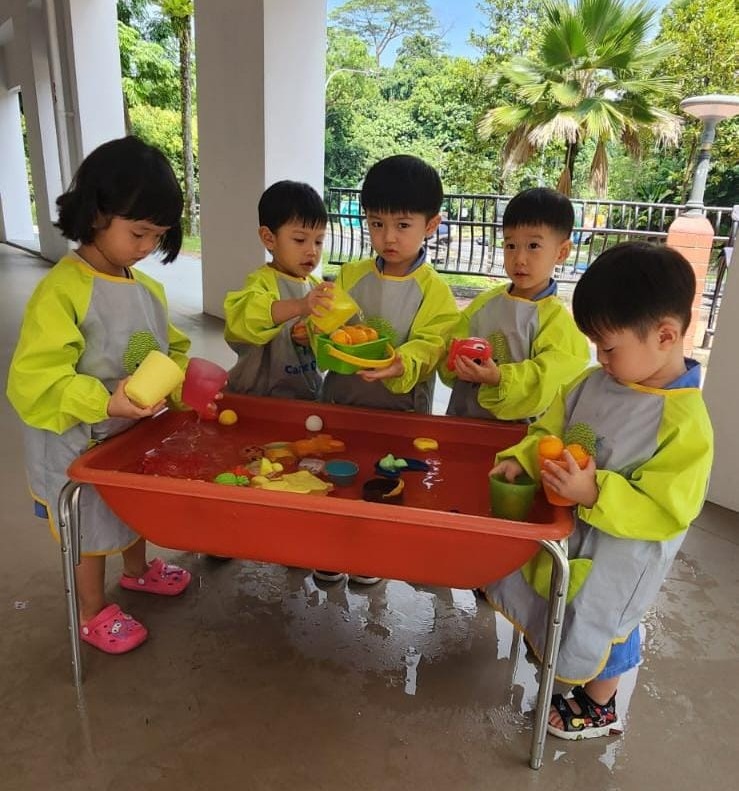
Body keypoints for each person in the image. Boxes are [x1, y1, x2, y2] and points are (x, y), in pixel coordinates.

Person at [484, 242, 713, 740]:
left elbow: (668, 508)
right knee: (567, 602)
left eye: (608, 347)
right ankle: (567, 660)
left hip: (622, 553)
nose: (599, 358)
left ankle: (601, 703)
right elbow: (549, 429)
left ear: (665, 335)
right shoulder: (592, 383)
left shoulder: (684, 422)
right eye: (594, 346)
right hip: (575, 534)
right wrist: (523, 458)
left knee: (611, 621)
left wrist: (595, 491)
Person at [6, 136, 193, 655]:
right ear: (95, 216)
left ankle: (137, 571)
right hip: (79, 437)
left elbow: (171, 348)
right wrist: (106, 401)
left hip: (128, 430)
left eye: (158, 236)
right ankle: (92, 610)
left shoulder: (147, 290)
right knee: (89, 526)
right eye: (138, 233)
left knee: (131, 505)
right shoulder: (63, 290)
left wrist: (184, 381)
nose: (147, 247)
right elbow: (37, 378)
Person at [318, 154, 458, 585]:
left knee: (387, 480)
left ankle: (372, 555)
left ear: (430, 225)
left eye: (402, 225)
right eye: (377, 223)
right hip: (343, 401)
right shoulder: (351, 275)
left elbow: (432, 343)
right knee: (337, 475)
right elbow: (331, 329)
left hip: (400, 410)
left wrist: (403, 361)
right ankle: (331, 548)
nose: (388, 237)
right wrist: (314, 329)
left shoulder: (434, 291)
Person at [442, 187, 590, 421]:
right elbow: (451, 348)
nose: (519, 259)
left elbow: (547, 379)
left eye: (533, 246)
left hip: (521, 435)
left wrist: (500, 378)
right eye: (511, 245)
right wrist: (452, 360)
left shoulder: (557, 322)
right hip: (464, 421)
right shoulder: (484, 303)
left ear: (562, 252)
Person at [223, 180, 332, 399]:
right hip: (259, 395)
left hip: (306, 394)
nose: (312, 251)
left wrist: (314, 336)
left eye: (319, 241)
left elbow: (328, 346)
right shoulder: (261, 282)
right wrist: (300, 306)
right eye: (300, 240)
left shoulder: (315, 285)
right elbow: (244, 320)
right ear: (269, 238)